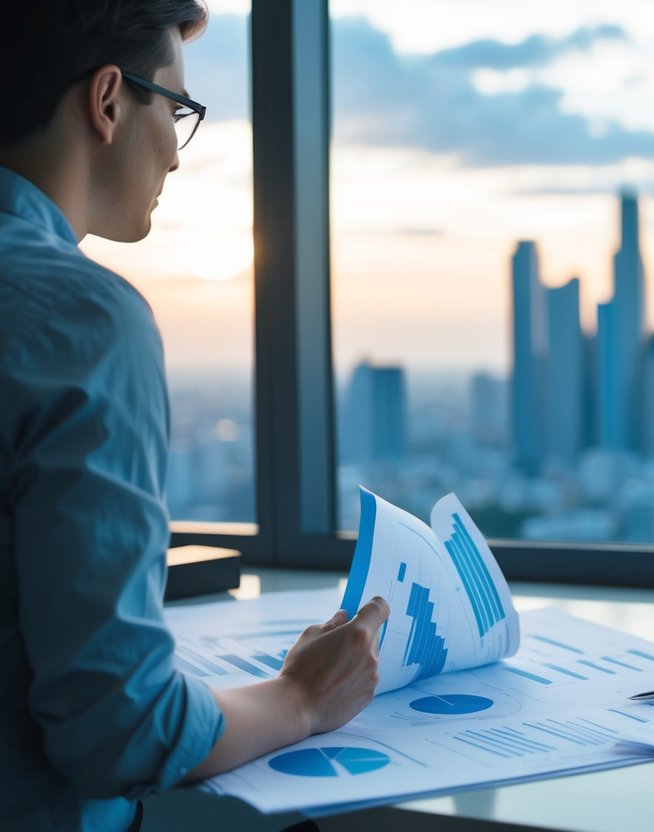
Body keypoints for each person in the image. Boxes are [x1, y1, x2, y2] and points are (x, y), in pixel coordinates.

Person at [0, 4, 389, 830]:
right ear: (107, 102)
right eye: (175, 108)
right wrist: (300, 698)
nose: (177, 152)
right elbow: (121, 731)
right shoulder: (79, 319)